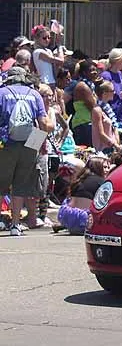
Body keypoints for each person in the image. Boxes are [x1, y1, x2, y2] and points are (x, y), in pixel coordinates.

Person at [0, 67, 54, 236]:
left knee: (1, 182)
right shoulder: (35, 94)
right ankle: (15, 225)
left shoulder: (2, 93)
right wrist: (37, 143)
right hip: (30, 144)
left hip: (5, 143)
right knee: (20, 184)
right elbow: (44, 124)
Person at [53, 155, 109, 235]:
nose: (107, 170)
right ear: (97, 167)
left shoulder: (79, 180)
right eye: (105, 167)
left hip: (68, 219)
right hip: (85, 221)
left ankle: (64, 226)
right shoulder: (101, 182)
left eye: (108, 167)